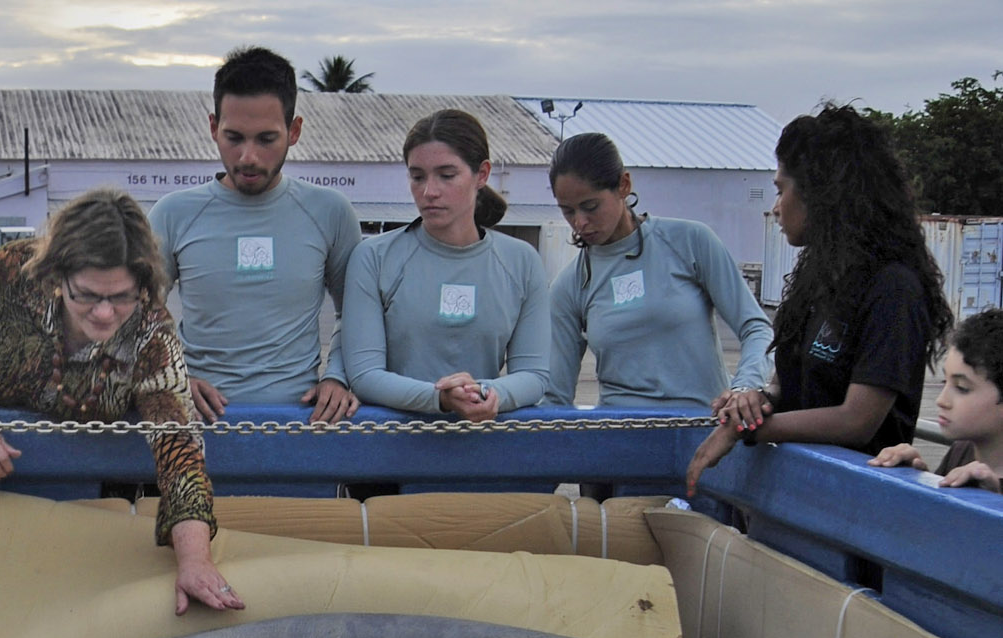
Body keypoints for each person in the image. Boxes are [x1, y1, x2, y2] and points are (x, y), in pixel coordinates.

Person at [0, 188, 242, 616]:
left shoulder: (150, 328)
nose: (104, 314)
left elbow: (178, 443)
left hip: (93, 503)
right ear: (58, 276)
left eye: (121, 297)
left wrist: (194, 561)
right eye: (88, 295)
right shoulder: (6, 276)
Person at [686, 105, 950, 499]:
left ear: (821, 193)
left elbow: (856, 420)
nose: (775, 206)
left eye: (780, 189)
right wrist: (753, 404)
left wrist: (746, 431)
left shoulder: (894, 287)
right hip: (797, 495)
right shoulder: (819, 276)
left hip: (856, 503)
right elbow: (785, 386)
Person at [151, 45, 361, 424]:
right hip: (196, 428)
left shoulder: (330, 212)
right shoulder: (172, 214)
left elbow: (358, 315)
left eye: (266, 139)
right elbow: (138, 317)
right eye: (234, 137)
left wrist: (337, 376)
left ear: (294, 131)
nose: (248, 156)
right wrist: (172, 375)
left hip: (300, 429)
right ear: (213, 127)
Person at [341, 108, 550, 420]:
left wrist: (486, 394)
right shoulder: (373, 257)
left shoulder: (522, 262)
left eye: (447, 175)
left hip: (483, 451)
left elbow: (533, 374)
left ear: (482, 174)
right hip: (390, 451)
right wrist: (440, 398)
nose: (429, 191)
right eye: (417, 176)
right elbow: (365, 374)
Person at [546, 131, 772, 410]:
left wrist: (746, 387)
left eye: (590, 206)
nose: (579, 222)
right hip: (619, 439)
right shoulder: (569, 287)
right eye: (567, 211)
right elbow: (555, 399)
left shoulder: (691, 242)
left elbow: (756, 328)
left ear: (623, 185)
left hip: (703, 432)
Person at [875, 309, 1003, 493]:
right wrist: (919, 479)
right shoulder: (961, 451)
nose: (941, 400)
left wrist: (993, 504)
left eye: (961, 388)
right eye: (946, 381)